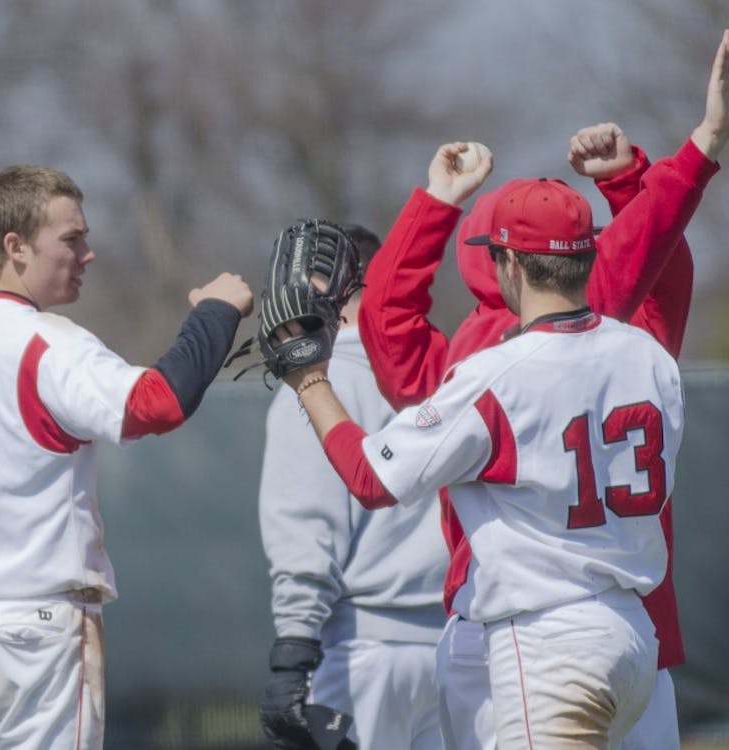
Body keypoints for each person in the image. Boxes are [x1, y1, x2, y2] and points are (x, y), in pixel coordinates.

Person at [357, 29, 729, 750]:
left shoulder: (475, 364)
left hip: (517, 629)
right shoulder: (618, 333)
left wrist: (436, 204)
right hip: (635, 623)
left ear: (500, 262)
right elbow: (655, 263)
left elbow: (386, 325)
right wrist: (637, 179)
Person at [273, 174, 685, 748]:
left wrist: (310, 380)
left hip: (548, 639)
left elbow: (370, 477)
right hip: (635, 633)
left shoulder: (494, 375)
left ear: (509, 263)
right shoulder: (645, 355)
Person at [0, 165, 253, 749]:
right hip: (34, 632)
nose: (88, 253)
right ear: (14, 247)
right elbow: (158, 403)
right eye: (71, 238)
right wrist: (217, 313)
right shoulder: (43, 341)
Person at [257, 225, 448, 750]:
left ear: (326, 284)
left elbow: (305, 528)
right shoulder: (444, 370)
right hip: (456, 650)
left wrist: (293, 650)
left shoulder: (318, 382)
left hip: (362, 652)